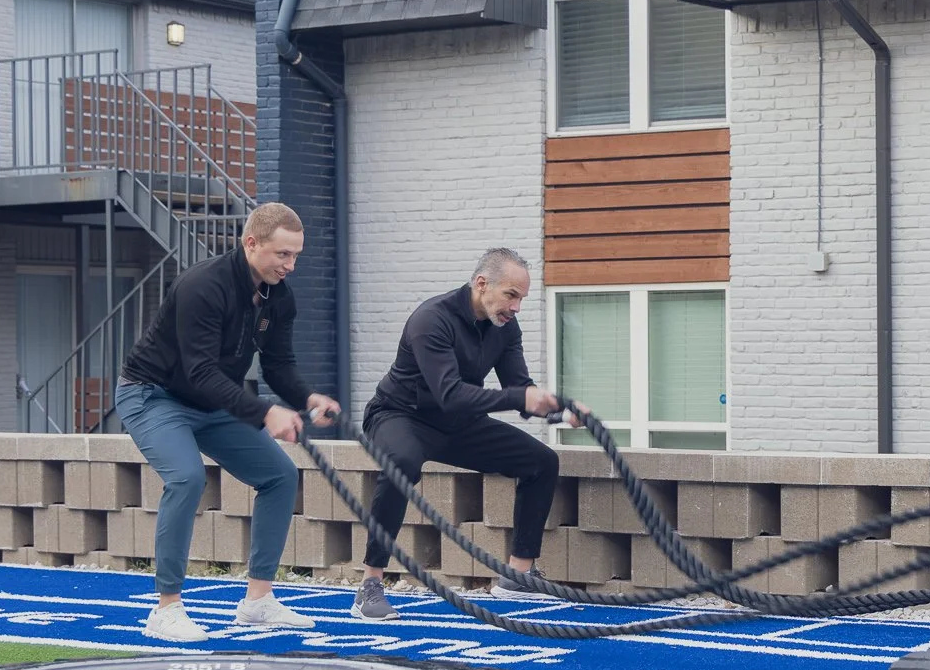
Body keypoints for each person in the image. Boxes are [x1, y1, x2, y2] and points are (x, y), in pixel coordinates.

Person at [117, 202, 342, 642]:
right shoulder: (203, 285)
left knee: (279, 475)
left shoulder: (279, 297)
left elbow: (278, 366)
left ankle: (258, 602)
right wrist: (265, 412)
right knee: (186, 478)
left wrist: (306, 398)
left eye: (296, 255)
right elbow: (200, 371)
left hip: (212, 403)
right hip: (153, 395)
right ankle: (166, 609)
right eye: (282, 254)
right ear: (251, 243)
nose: (290, 265)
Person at [352, 248, 582, 620]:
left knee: (541, 461)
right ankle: (370, 583)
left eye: (522, 298)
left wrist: (561, 411)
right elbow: (450, 393)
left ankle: (518, 576)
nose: (516, 307)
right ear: (481, 284)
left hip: (458, 422)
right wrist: (522, 397)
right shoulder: (432, 319)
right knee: (402, 462)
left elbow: (518, 387)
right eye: (511, 295)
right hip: (400, 415)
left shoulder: (505, 327)